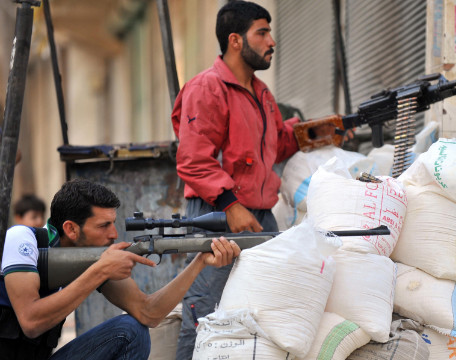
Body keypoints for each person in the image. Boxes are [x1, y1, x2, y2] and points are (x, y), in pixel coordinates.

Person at [170, 1, 300, 357]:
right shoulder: (207, 88)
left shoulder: (262, 94)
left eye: (269, 32)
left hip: (258, 216)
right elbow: (193, 160)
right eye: (262, 32)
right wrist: (230, 205)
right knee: (204, 311)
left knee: (272, 302)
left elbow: (279, 143)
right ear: (236, 40)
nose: (271, 41)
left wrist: (321, 132)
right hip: (219, 213)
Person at [0, 179, 240, 359]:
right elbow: (30, 322)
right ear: (71, 229)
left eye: (113, 223)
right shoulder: (23, 238)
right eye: (103, 225)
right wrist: (100, 271)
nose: (114, 234)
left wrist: (199, 262)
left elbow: (148, 313)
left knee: (131, 328)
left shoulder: (95, 259)